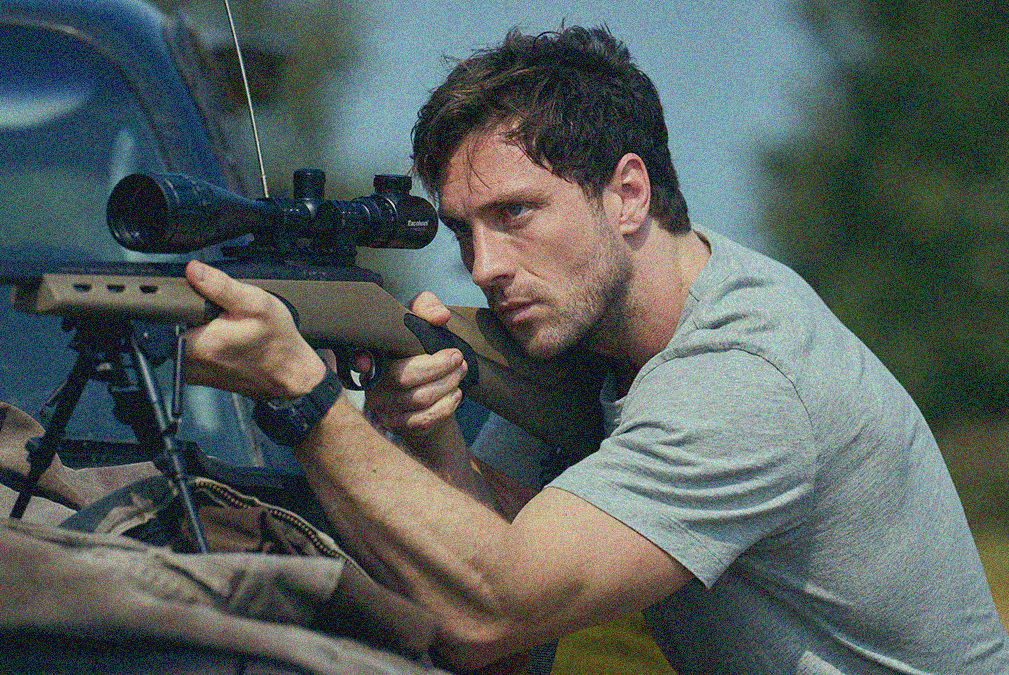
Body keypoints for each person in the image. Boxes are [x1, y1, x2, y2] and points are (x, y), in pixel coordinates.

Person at [178, 25, 1009, 674]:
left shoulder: (743, 380)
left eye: (516, 214)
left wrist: (304, 395)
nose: (482, 265)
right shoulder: (591, 340)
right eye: (464, 228)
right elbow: (503, 556)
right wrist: (430, 432)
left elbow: (491, 610)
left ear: (628, 193)